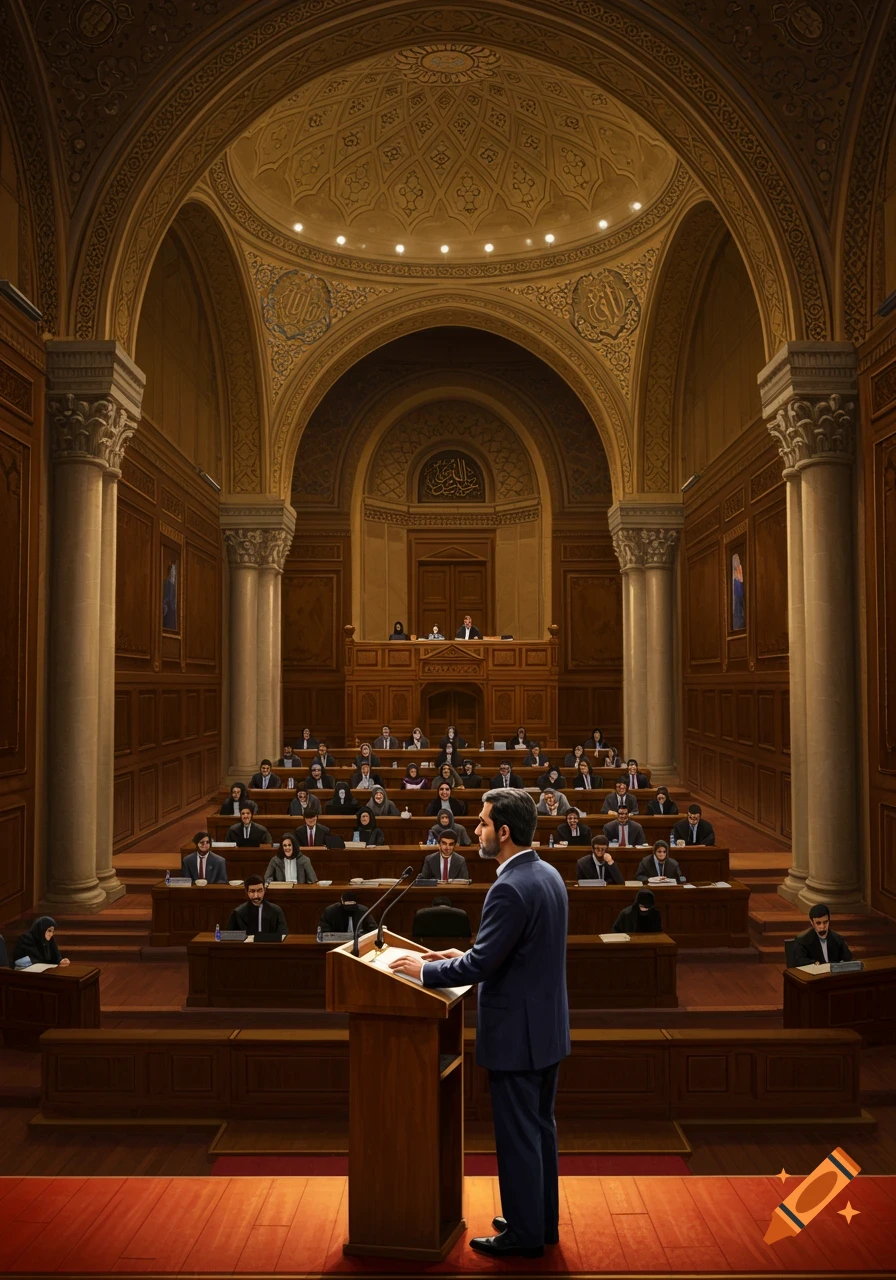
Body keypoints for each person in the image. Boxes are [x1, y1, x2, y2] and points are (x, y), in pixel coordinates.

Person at [390, 788, 569, 1259]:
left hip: (516, 1036)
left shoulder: (508, 886)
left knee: (517, 1138)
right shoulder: (548, 874)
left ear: (504, 832)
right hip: (547, 1030)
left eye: (484, 823)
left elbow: (482, 966)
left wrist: (425, 970)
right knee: (540, 1131)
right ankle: (540, 1221)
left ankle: (524, 1236)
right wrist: (464, 954)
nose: (476, 830)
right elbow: (513, 955)